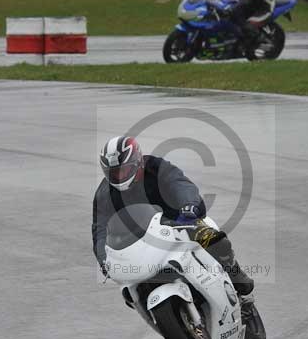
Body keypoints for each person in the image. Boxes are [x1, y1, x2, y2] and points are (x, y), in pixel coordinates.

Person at [92, 135, 257, 315]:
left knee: (215, 241)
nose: (119, 177)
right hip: (139, 240)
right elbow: (100, 230)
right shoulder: (104, 194)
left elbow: (179, 185)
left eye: (124, 170)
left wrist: (189, 205)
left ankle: (236, 278)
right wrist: (103, 258)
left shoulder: (157, 168)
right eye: (114, 173)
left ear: (138, 162)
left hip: (179, 222)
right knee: (129, 291)